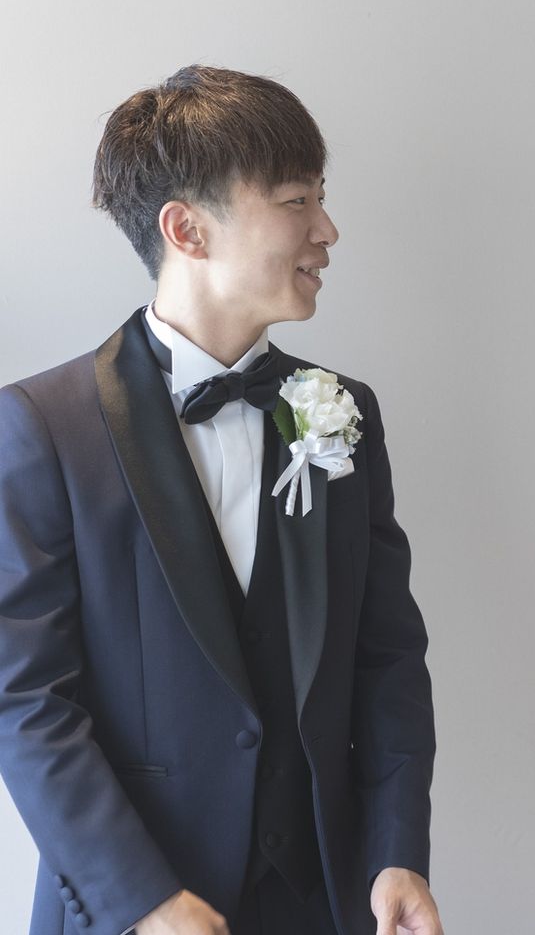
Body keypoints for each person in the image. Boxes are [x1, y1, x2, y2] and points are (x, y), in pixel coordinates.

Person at [0, 66, 443, 935]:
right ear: (187, 229)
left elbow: (387, 656)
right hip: (138, 905)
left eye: (321, 198)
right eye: (296, 200)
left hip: (326, 899)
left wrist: (398, 851)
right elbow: (25, 700)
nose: (327, 230)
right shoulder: (45, 427)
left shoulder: (340, 411)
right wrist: (143, 902)